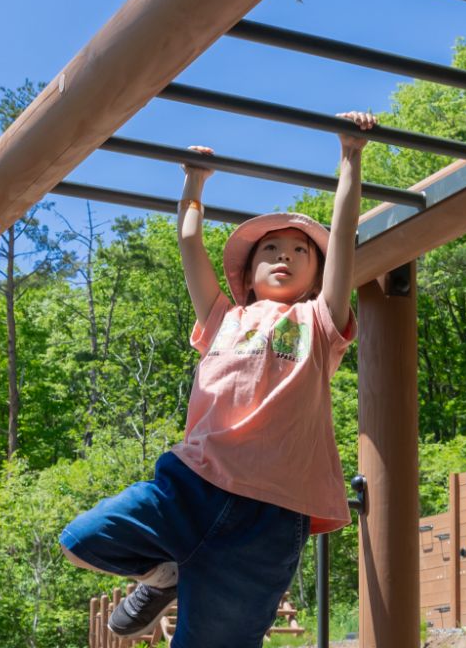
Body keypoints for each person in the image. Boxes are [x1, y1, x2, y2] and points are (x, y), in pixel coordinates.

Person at [60, 111, 377, 646]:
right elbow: (189, 242)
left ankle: (179, 576)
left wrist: (350, 156)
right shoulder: (222, 318)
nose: (285, 256)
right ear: (247, 277)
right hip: (195, 485)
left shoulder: (318, 322)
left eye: (300, 252)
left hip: (274, 513)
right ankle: (166, 574)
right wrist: (194, 183)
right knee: (84, 538)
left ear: (315, 277)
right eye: (271, 251)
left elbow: (342, 235)